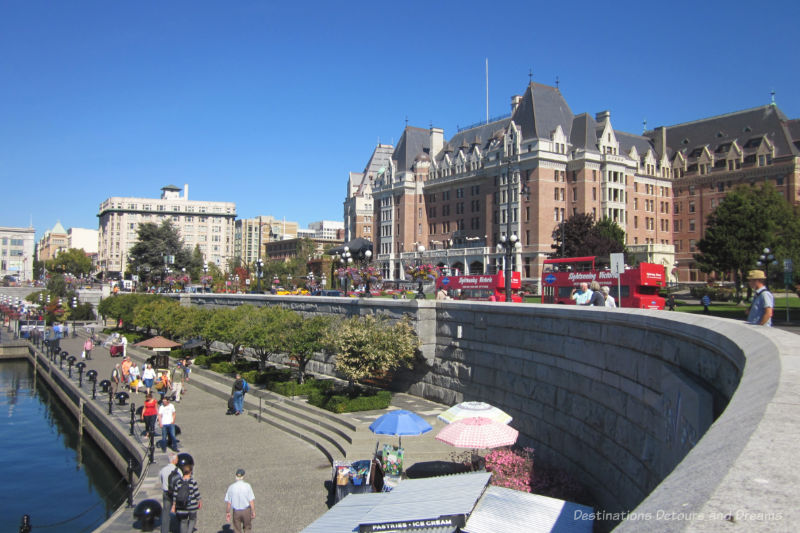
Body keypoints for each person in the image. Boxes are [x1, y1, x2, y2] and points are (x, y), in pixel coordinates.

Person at [171, 463, 202, 533]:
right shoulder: (192, 481)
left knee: (183, 521)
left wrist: (174, 505)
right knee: (192, 519)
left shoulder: (178, 482)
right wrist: (199, 501)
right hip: (192, 505)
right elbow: (196, 493)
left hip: (181, 505)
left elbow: (175, 494)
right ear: (190, 472)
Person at [224, 468, 256, 533]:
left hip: (236, 512)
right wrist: (253, 511)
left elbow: (229, 502)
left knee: (237, 530)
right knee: (247, 529)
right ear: (243, 476)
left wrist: (228, 512)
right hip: (246, 510)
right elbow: (251, 500)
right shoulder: (247, 486)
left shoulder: (231, 487)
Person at [158, 454, 179, 533]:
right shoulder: (177, 470)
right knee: (178, 511)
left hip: (166, 493)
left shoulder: (163, 470)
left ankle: (164, 531)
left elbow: (161, 480)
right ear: (174, 460)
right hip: (175, 493)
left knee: (166, 513)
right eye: (177, 459)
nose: (177, 460)